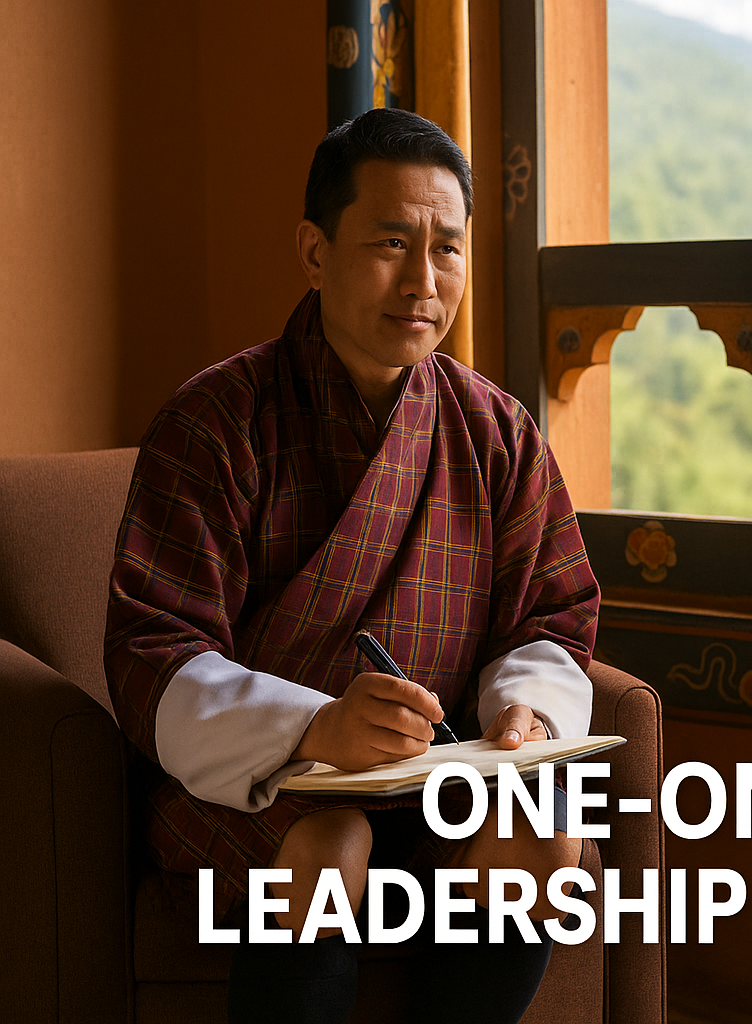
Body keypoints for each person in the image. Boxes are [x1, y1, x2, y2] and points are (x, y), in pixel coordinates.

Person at [104, 108, 599, 1024]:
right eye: (389, 243)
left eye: (446, 249)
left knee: (535, 840)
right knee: (330, 841)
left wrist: (522, 705)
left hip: (435, 772)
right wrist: (318, 726)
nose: (422, 281)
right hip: (254, 784)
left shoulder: (495, 431)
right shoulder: (214, 421)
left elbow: (551, 614)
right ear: (314, 250)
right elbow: (154, 652)